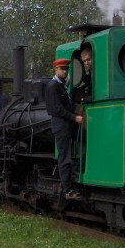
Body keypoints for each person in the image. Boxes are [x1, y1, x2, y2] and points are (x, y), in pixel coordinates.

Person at [45, 58, 84, 200]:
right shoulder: (53, 86)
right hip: (60, 124)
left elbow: (67, 105)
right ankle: (67, 189)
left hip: (66, 123)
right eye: (62, 69)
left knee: (73, 150)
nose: (65, 71)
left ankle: (77, 175)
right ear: (56, 69)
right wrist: (75, 118)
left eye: (66, 69)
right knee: (64, 156)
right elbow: (57, 109)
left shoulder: (61, 85)